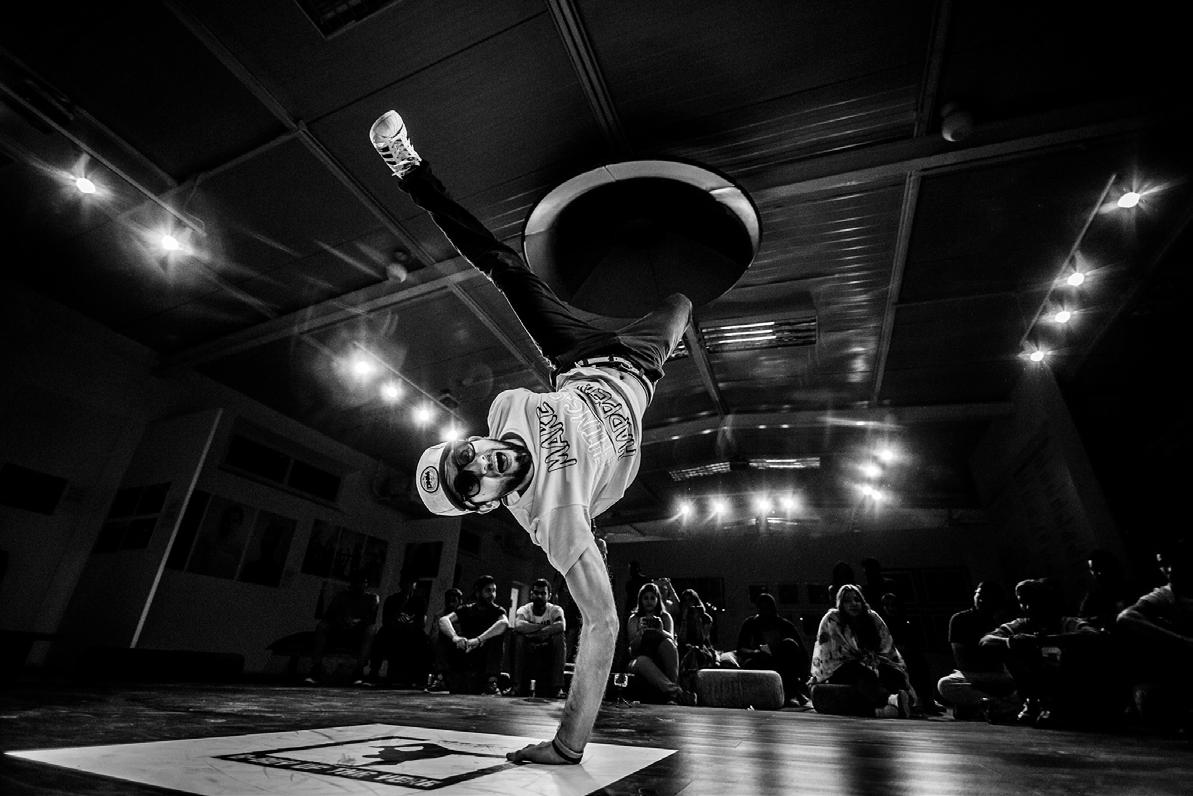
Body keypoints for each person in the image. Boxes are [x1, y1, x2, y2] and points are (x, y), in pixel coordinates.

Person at [371, 110, 692, 765]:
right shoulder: (555, 521)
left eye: (465, 455)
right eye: (471, 483)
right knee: (681, 303)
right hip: (639, 366)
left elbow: (525, 398)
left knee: (504, 269)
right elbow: (601, 623)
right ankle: (667, 312)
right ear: (485, 505)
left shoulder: (505, 409)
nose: (481, 462)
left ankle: (410, 170)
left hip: (574, 355)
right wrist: (568, 745)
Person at [980, 578, 1105, 727]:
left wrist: (1045, 640)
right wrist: (1011, 642)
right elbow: (986, 640)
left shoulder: (1067, 622)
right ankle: (1032, 703)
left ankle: (1056, 706)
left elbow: (1093, 635)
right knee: (1012, 649)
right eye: (1022, 602)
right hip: (1032, 685)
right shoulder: (1020, 624)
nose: (1027, 607)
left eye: (1032, 601)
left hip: (1067, 684)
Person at [1115, 537, 1193, 731]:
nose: (1169, 570)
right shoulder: (1165, 594)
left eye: (1174, 563)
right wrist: (1183, 642)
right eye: (1163, 565)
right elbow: (1127, 617)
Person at [809, 584, 911, 717]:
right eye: (847, 601)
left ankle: (891, 708)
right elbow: (832, 653)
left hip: (872, 662)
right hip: (840, 667)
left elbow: (886, 646)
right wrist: (864, 661)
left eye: (857, 599)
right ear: (841, 604)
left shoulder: (872, 618)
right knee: (862, 674)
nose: (853, 604)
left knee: (894, 673)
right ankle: (892, 700)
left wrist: (875, 660)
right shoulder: (833, 619)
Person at [936, 581, 1017, 720]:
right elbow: (962, 660)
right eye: (978, 595)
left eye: (986, 597)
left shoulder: (1004, 620)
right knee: (945, 684)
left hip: (1001, 673)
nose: (980, 600)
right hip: (972, 674)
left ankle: (979, 707)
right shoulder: (960, 619)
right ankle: (998, 705)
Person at [732, 592, 811, 706]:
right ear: (758, 610)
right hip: (759, 660)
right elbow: (740, 648)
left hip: (782, 660)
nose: (767, 612)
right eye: (763, 609)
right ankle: (792, 692)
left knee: (788, 646)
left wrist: (804, 675)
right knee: (752, 664)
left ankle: (791, 692)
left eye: (769, 608)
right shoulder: (750, 624)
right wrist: (755, 653)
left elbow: (801, 651)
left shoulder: (785, 625)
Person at [438, 575, 510, 695]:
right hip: (465, 651)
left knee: (498, 635)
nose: (492, 595)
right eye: (488, 591)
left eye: (494, 591)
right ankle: (440, 679)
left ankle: (492, 681)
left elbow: (504, 623)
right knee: (444, 632)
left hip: (484, 655)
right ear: (478, 593)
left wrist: (478, 640)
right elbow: (443, 620)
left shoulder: (497, 610)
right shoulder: (466, 609)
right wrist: (456, 638)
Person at [305, 569, 379, 685]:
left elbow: (370, 618)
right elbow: (329, 614)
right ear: (352, 583)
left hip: (359, 630)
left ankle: (358, 671)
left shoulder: (372, 598)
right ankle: (316, 668)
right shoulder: (341, 596)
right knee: (322, 626)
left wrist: (356, 622)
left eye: (363, 582)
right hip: (339, 627)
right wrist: (343, 620)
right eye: (358, 582)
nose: (360, 585)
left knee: (371, 629)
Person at [625, 582, 692, 704]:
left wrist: (661, 631)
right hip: (639, 661)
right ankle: (676, 692)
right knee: (642, 660)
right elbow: (633, 650)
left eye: (652, 598)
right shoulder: (634, 619)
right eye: (646, 598)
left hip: (661, 657)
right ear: (640, 600)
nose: (649, 601)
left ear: (657, 599)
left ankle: (672, 695)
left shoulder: (665, 617)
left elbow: (672, 643)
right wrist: (640, 633)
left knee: (668, 644)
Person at [880, 591, 941, 715]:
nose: (890, 608)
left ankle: (926, 699)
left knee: (918, 661)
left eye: (893, 605)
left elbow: (912, 643)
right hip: (888, 657)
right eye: (886, 605)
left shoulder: (905, 622)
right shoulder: (881, 624)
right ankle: (913, 700)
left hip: (905, 655)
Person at [369, 582, 431, 687]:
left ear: (415, 585)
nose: (408, 585)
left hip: (411, 632)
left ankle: (419, 678)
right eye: (406, 582)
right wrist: (398, 622)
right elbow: (386, 620)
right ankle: (373, 672)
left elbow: (420, 622)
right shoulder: (391, 599)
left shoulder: (419, 601)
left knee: (423, 639)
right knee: (382, 634)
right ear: (400, 584)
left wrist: (409, 626)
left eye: (411, 583)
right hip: (393, 630)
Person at [512, 578, 567, 697]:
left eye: (543, 593)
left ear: (549, 596)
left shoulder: (555, 610)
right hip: (529, 646)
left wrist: (534, 632)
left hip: (547, 646)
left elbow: (561, 626)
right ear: (531, 594)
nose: (539, 596)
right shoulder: (524, 609)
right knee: (517, 636)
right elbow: (519, 625)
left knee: (559, 637)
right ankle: (516, 686)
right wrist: (545, 628)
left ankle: (557, 687)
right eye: (536, 593)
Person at [426, 587, 463, 692]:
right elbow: (434, 635)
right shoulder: (439, 615)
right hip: (444, 647)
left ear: (460, 601)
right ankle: (440, 678)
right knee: (441, 638)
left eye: (454, 600)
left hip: (461, 647)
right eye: (448, 600)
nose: (451, 603)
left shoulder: (465, 614)